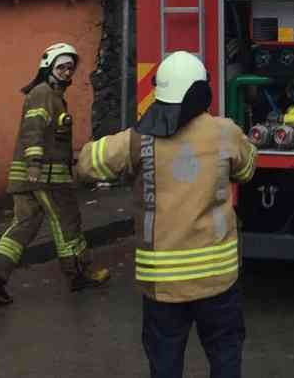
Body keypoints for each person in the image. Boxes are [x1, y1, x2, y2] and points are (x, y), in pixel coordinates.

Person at [76, 51, 258, 378]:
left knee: (165, 363)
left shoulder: (139, 139)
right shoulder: (225, 133)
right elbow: (246, 169)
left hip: (163, 285)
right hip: (217, 281)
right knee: (225, 355)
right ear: (202, 90)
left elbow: (89, 164)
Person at [0, 42, 111, 306]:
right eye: (61, 66)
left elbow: (50, 136)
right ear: (48, 67)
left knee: (24, 225)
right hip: (45, 177)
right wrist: (35, 163)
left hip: (30, 177)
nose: (66, 72)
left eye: (69, 68)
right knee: (67, 223)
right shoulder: (43, 95)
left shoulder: (50, 95)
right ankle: (79, 274)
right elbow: (33, 130)